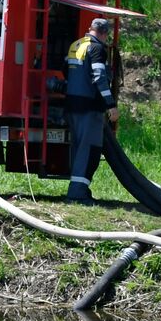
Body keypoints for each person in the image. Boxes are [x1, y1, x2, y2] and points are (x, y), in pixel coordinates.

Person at [65, 18, 119, 203]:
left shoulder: (76, 44)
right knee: (90, 150)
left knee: (79, 148)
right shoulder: (97, 49)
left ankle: (78, 189)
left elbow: (66, 70)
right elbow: (99, 78)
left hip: (72, 106)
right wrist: (110, 104)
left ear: (90, 29)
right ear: (104, 33)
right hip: (89, 107)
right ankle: (77, 193)